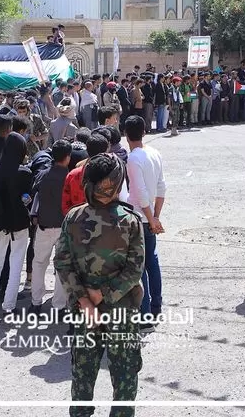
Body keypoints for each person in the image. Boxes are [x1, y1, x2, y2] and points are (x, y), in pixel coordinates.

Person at [54, 152, 144, 417]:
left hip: (85, 314)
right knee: (125, 376)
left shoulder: (73, 218)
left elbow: (62, 263)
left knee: (82, 376)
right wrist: (101, 295)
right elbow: (134, 270)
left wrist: (84, 299)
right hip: (121, 313)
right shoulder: (130, 221)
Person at [0, 129, 33, 313]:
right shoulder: (25, 172)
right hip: (18, 223)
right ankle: (9, 305)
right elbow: (27, 198)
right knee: (16, 264)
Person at [124, 116, 166, 327]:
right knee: (152, 262)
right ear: (144, 131)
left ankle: (146, 313)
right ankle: (156, 306)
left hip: (139, 218)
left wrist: (151, 219)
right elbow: (161, 187)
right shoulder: (154, 153)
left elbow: (139, 193)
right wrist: (156, 217)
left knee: (140, 267)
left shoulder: (133, 158)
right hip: (149, 216)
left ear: (125, 134)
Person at [29, 140, 72, 313]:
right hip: (63, 228)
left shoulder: (42, 175)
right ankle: (59, 305)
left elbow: (34, 195)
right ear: (68, 157)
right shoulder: (69, 177)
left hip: (44, 226)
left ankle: (36, 302)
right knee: (61, 268)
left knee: (39, 264)